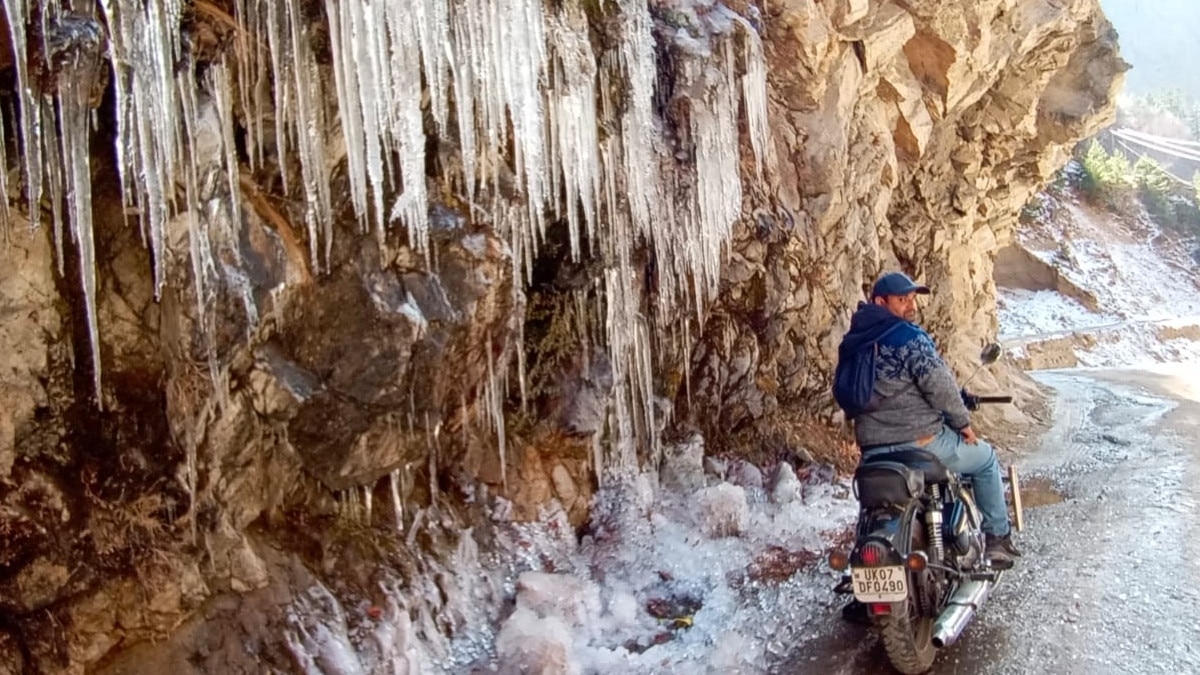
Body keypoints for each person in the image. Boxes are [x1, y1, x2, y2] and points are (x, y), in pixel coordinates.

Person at [839, 271, 1021, 569]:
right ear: (880, 302)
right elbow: (939, 386)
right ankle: (997, 540)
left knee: (875, 501)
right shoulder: (908, 337)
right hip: (921, 442)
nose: (911, 306)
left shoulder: (853, 343)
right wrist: (962, 423)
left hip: (872, 449)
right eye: (902, 300)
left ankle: (868, 555)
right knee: (986, 460)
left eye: (912, 299)